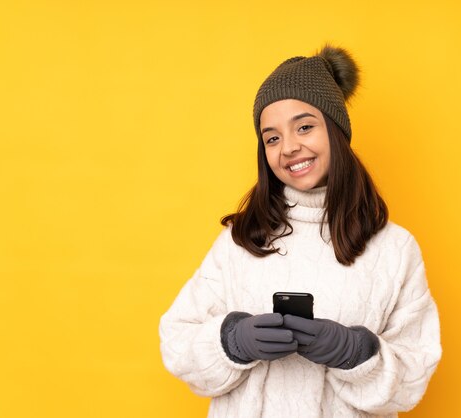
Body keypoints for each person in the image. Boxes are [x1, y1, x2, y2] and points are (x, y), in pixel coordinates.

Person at [159, 43, 442, 418]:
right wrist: (232, 341)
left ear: (337, 131)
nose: (289, 147)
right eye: (272, 137)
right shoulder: (241, 241)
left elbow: (412, 374)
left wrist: (357, 352)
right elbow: (177, 341)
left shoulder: (394, 248)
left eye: (305, 127)